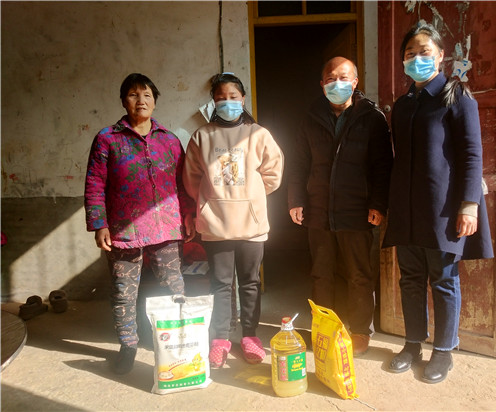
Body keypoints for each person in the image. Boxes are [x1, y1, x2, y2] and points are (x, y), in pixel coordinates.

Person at [383, 23, 494, 383]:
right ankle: (412, 344)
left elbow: (472, 153)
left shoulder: (455, 96)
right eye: (410, 53)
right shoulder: (403, 105)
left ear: (441, 55)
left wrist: (469, 204)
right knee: (410, 278)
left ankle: (444, 351)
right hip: (408, 207)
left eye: (424, 52)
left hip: (443, 208)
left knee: (444, 279)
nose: (417, 58)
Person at [84, 73, 195, 375]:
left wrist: (188, 214)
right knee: (124, 292)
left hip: (166, 227)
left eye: (146, 95)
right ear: (124, 101)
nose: (141, 100)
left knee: (174, 287)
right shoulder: (108, 139)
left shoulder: (169, 140)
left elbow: (183, 183)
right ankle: (128, 345)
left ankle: (181, 341)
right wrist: (99, 223)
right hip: (123, 230)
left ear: (155, 101)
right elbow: (95, 183)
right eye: (133, 95)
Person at [287, 57, 393, 355]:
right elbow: (299, 162)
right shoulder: (311, 117)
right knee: (321, 274)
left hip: (357, 209)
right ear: (322, 84)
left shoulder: (372, 117)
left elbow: (383, 165)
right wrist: (296, 199)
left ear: (355, 82)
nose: (337, 83)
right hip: (318, 210)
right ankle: (325, 328)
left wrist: (378, 203)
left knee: (359, 274)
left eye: (344, 78)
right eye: (331, 78)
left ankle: (360, 330)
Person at [183, 72, 284, 368]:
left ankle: (250, 336)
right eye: (221, 98)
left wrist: (250, 195)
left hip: (252, 225)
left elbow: (273, 174)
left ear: (243, 99)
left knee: (250, 282)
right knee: (220, 283)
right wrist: (210, 202)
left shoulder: (258, 134)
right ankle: (221, 338)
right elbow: (191, 179)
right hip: (216, 225)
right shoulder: (202, 136)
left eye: (233, 97)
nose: (228, 102)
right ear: (213, 102)